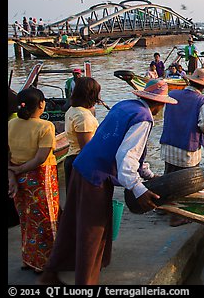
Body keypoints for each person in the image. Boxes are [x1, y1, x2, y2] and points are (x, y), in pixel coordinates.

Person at [38, 79, 177, 285]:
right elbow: (126, 157)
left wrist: (147, 174)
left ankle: (50, 273)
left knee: (71, 224)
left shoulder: (124, 106)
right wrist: (138, 188)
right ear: (159, 104)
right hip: (96, 176)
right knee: (93, 232)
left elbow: (123, 146)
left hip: (81, 165)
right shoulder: (144, 118)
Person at [8, 88, 59, 273]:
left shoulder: (11, 124)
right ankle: (43, 263)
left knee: (26, 218)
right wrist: (19, 170)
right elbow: (40, 158)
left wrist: (12, 173)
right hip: (39, 176)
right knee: (45, 219)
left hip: (17, 176)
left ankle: (27, 258)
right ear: (41, 104)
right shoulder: (45, 126)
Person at [159, 68, 204, 227]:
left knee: (168, 175)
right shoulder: (202, 101)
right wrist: (203, 130)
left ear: (189, 81)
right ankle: (177, 215)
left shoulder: (173, 95)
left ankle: (163, 207)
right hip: (187, 148)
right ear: (202, 86)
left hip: (168, 144)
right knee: (184, 183)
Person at [62, 77, 101, 195]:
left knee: (74, 202)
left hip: (72, 158)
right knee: (83, 203)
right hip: (80, 162)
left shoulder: (73, 110)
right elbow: (86, 149)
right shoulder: (83, 117)